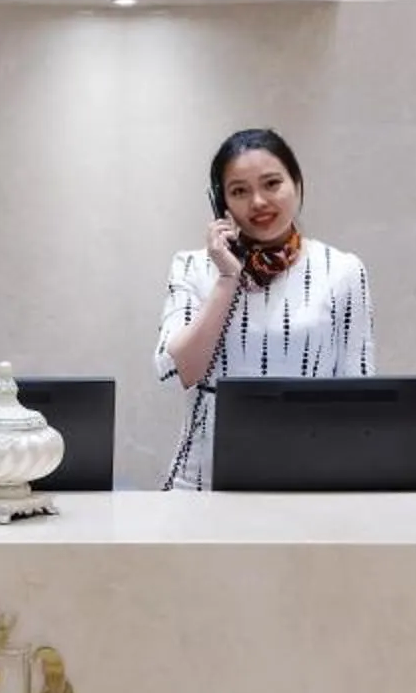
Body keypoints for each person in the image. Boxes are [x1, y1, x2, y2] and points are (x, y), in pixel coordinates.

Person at [155, 128, 374, 489]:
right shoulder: (192, 266)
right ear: (219, 203)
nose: (258, 201)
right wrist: (226, 277)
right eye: (239, 191)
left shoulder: (343, 270)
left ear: (297, 184)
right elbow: (178, 370)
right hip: (202, 483)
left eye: (272, 183)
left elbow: (359, 394)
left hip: (310, 480)